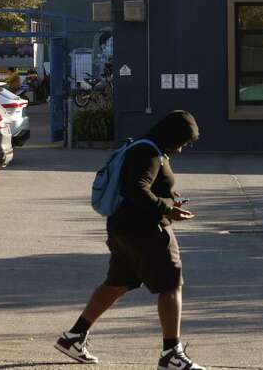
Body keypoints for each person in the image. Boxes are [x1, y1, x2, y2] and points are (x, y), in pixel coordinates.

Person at [56, 111, 205, 370]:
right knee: (171, 285)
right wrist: (167, 209)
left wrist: (168, 196)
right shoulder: (149, 153)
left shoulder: (145, 147)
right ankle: (171, 354)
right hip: (146, 231)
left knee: (117, 283)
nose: (181, 148)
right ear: (171, 135)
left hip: (123, 228)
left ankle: (74, 338)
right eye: (181, 141)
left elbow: (141, 185)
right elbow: (135, 188)